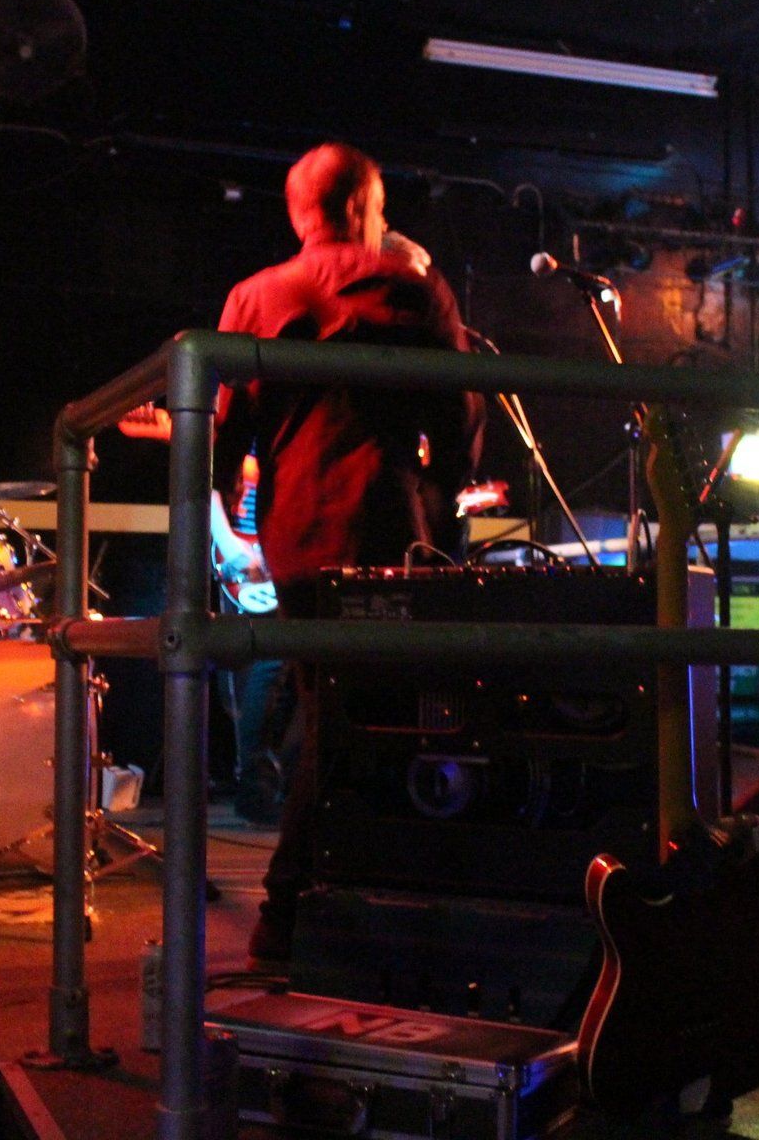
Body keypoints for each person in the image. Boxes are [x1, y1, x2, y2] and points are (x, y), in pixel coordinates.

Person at [218, 142, 484, 964]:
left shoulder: (256, 296)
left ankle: (317, 903)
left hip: (294, 538)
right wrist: (438, 507)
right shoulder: (411, 287)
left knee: (326, 706)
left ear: (299, 214)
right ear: (367, 209)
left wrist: (236, 500)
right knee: (366, 718)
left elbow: (221, 429)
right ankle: (298, 907)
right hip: (383, 533)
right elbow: (462, 417)